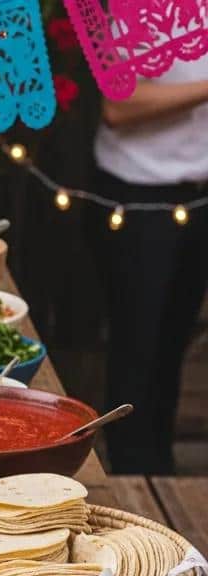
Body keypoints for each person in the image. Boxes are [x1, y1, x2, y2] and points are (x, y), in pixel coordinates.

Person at [92, 54, 208, 473]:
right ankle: (132, 485)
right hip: (139, 198)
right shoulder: (133, 11)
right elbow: (119, 104)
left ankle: (162, 474)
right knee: (137, 354)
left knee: (172, 350)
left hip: (201, 195)